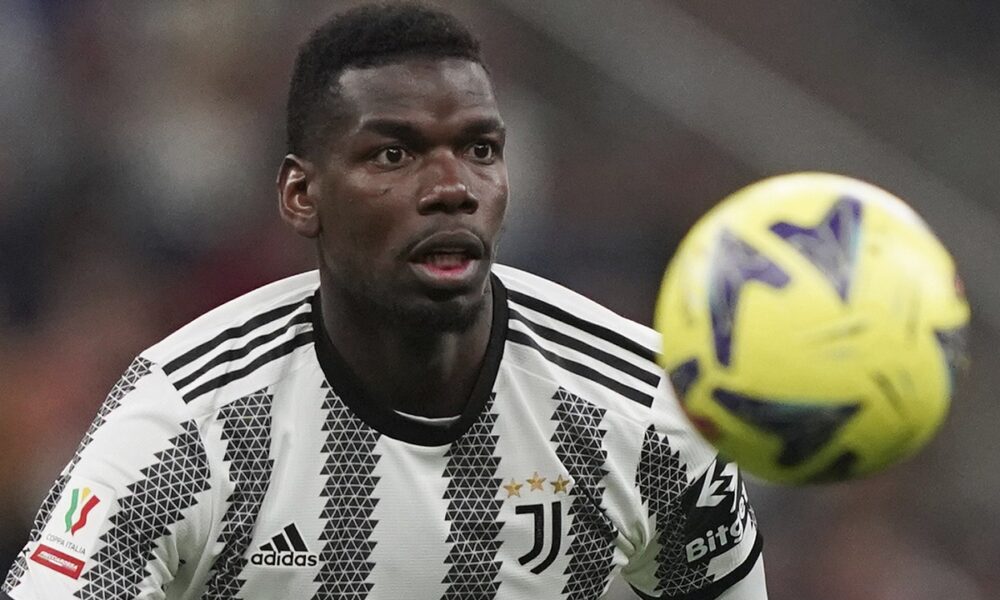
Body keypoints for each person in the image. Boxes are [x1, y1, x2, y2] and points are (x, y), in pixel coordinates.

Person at [2, 4, 767, 599]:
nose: (451, 189)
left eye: (480, 149)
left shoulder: (647, 408)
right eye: (393, 154)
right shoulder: (188, 424)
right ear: (302, 195)